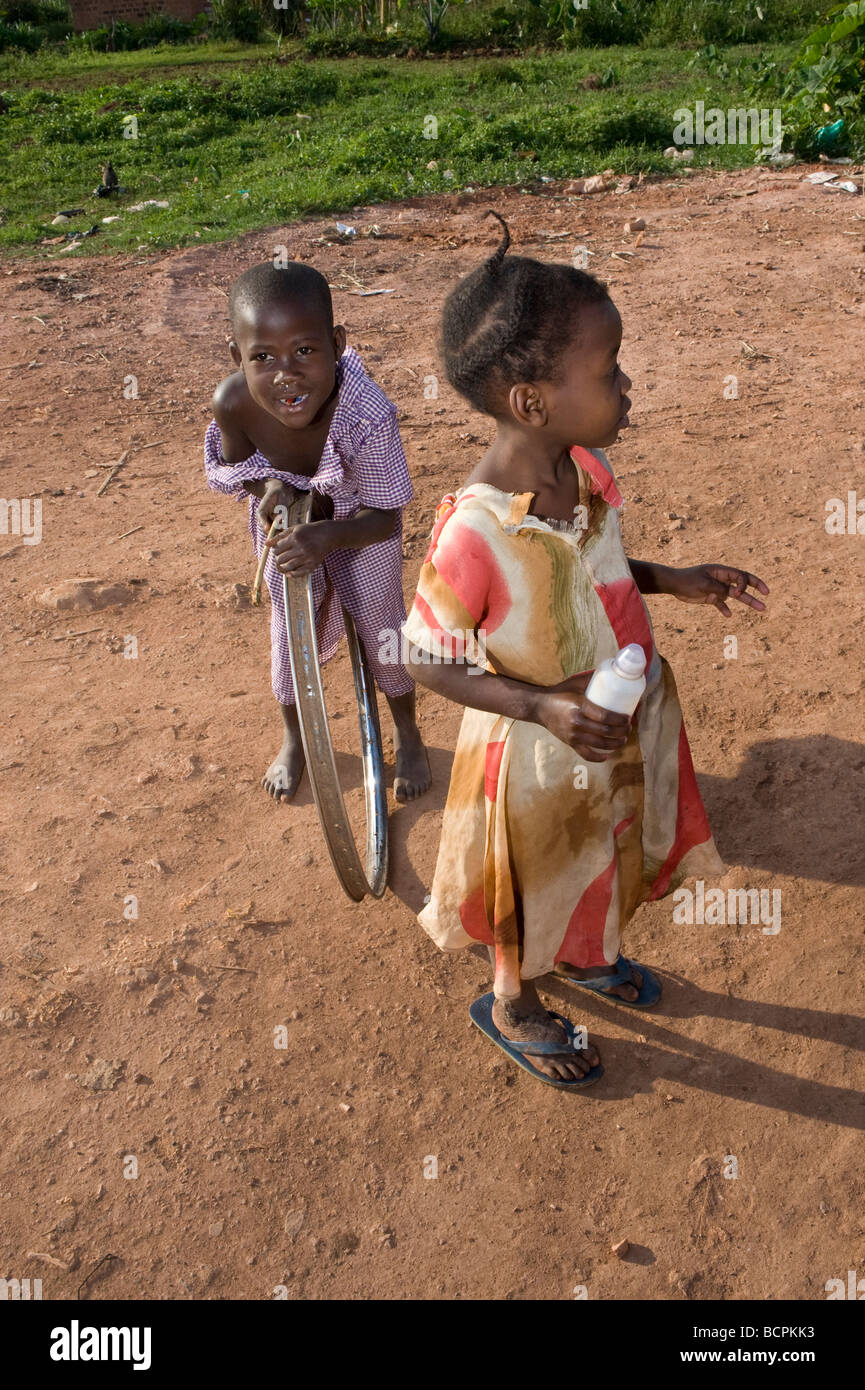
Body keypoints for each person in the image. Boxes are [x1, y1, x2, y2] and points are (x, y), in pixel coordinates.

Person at [402, 213, 768, 1089]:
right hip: (535, 750)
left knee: (603, 850)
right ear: (531, 400)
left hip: (611, 723)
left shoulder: (583, 473)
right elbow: (425, 659)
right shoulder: (475, 533)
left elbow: (591, 573)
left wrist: (668, 578)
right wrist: (538, 704)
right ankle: (514, 1004)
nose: (628, 383)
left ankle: (586, 952)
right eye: (608, 371)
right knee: (531, 882)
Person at [205, 261, 431, 804]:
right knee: (288, 633)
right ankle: (296, 736)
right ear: (238, 360)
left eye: (305, 351)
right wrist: (268, 494)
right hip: (287, 526)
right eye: (263, 357)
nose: (285, 374)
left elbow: (386, 516)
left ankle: (408, 731)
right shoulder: (233, 403)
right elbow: (242, 476)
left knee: (381, 624)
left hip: (360, 525)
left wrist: (328, 535)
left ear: (336, 344)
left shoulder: (366, 414)